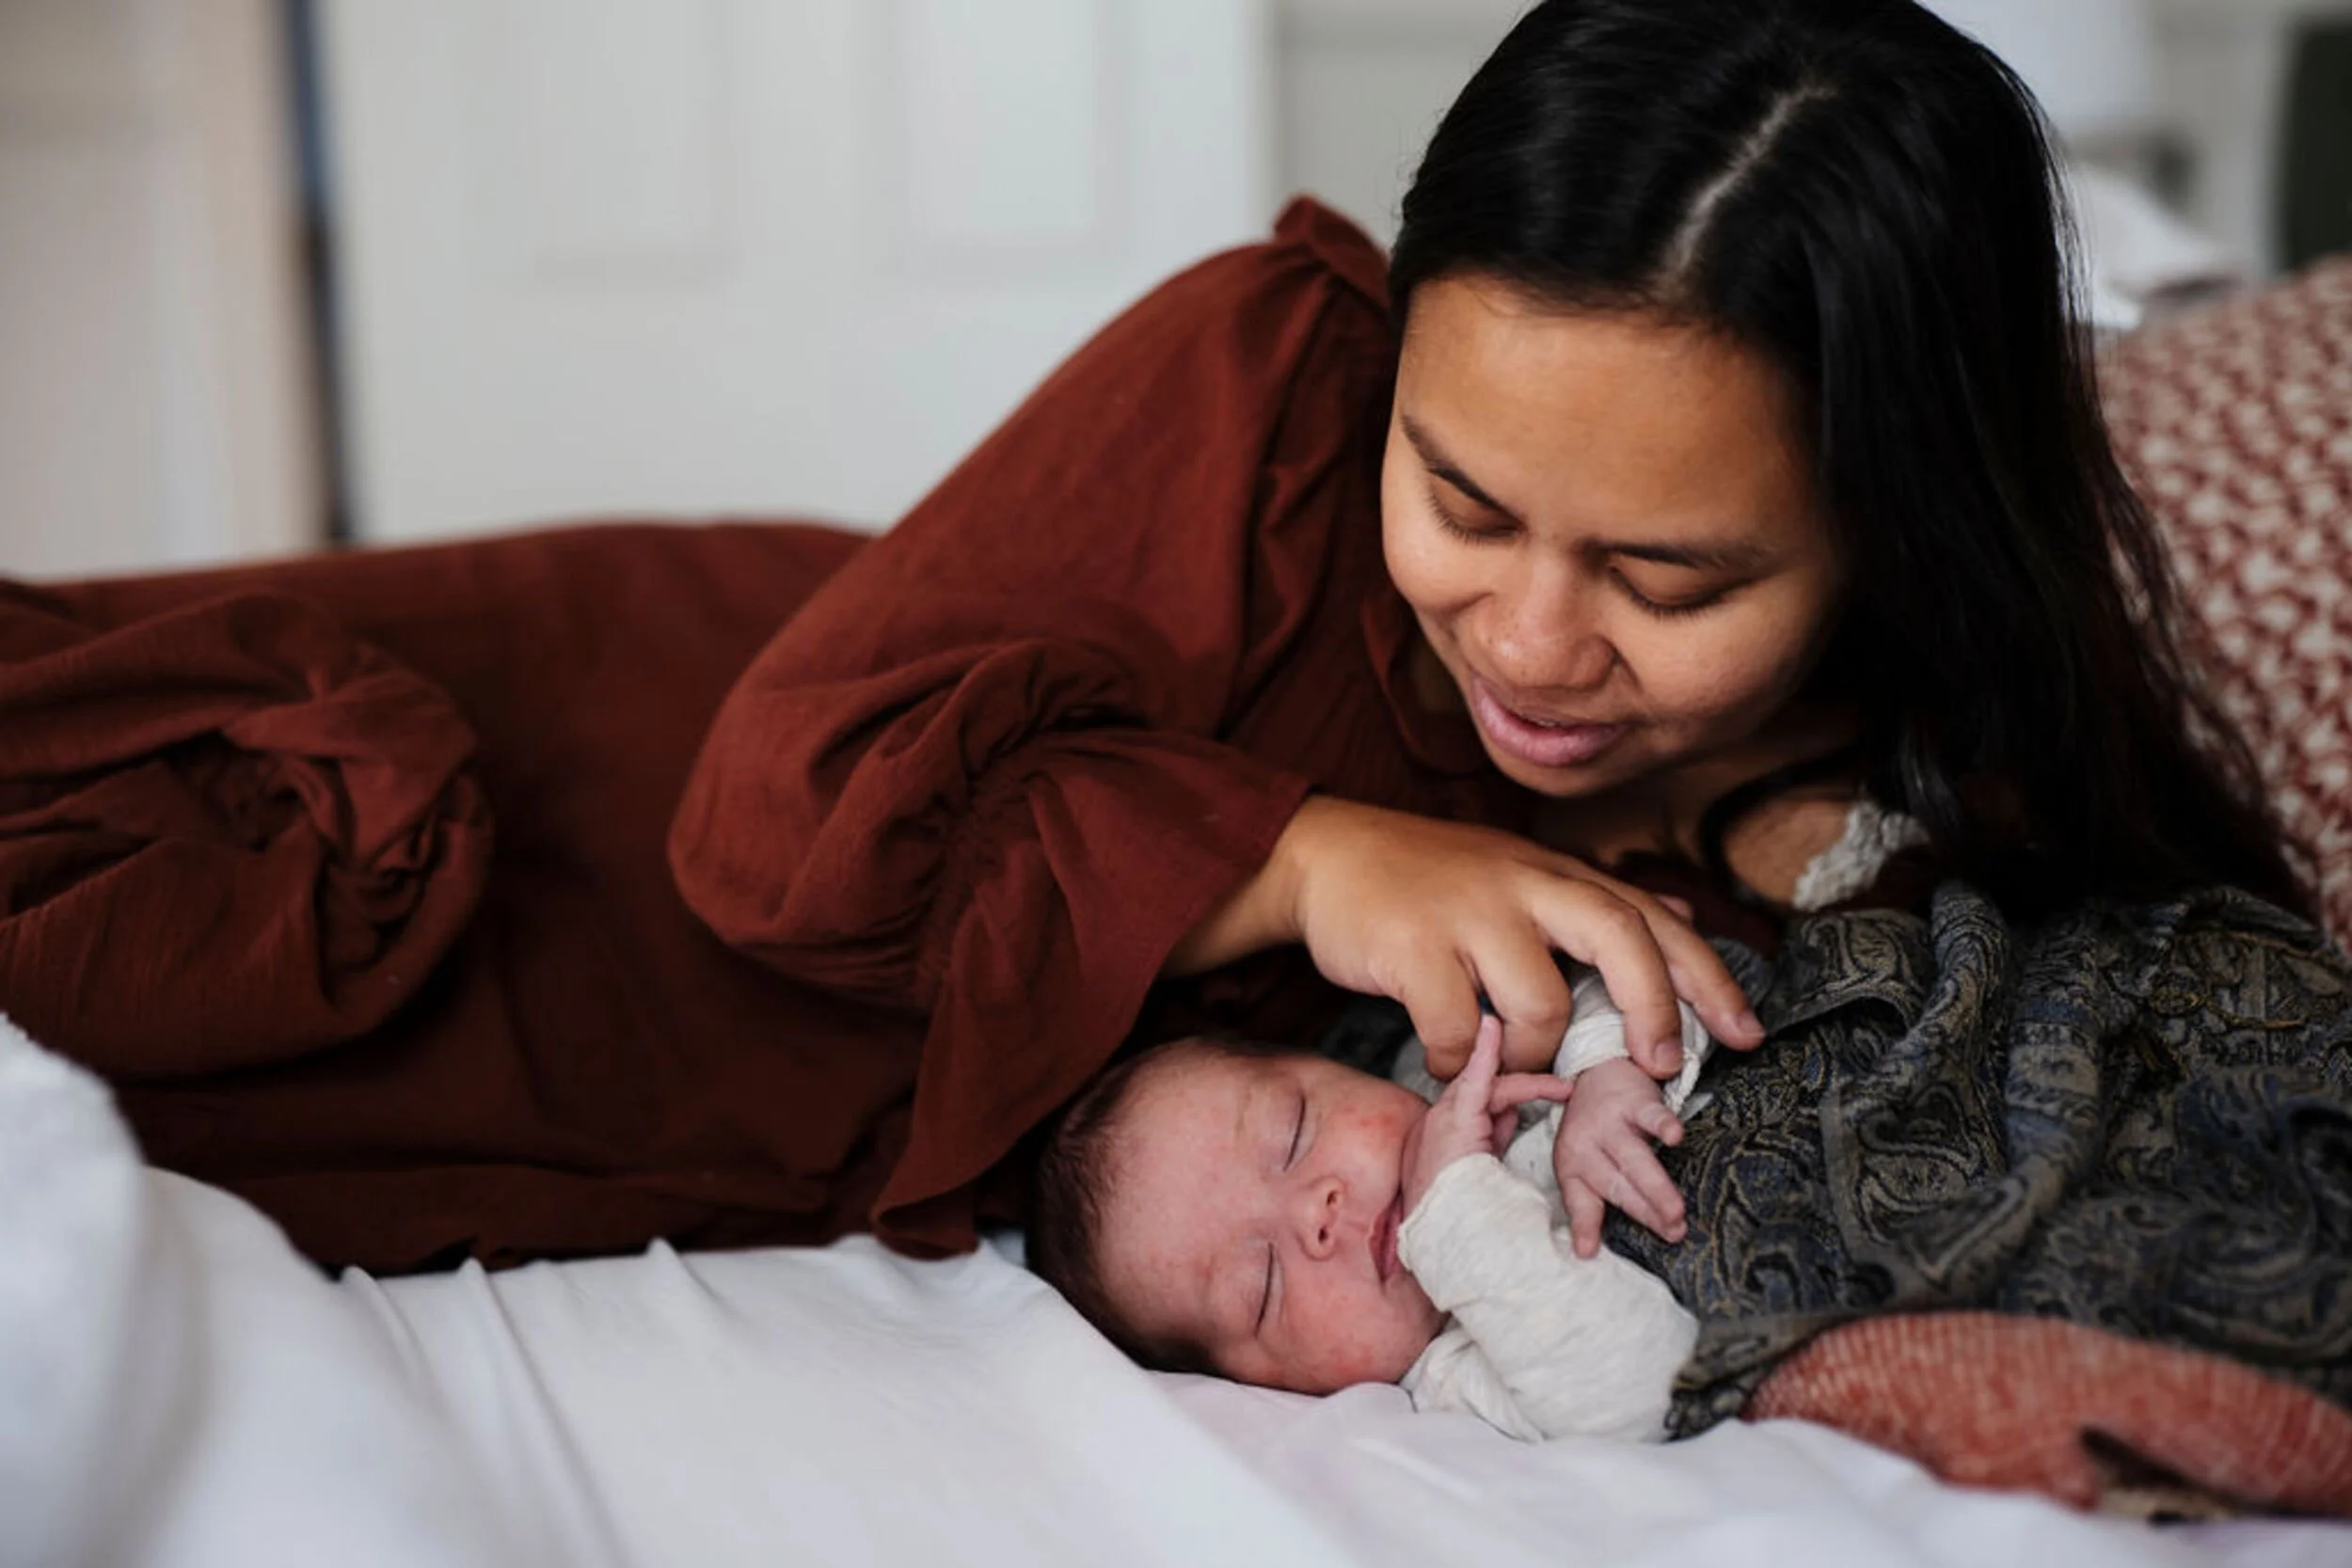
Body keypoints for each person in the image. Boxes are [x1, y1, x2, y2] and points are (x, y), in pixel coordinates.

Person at [0, 0, 2312, 1272]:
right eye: (1464, 498)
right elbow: (776, 835)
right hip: (680, 756)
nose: (1526, 636)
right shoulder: (1262, 383)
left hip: (753, 1104)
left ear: (1897, 533)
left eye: (1671, 578)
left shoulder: (1919, 820)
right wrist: (1308, 855)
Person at [1027, 997, 1722, 1444]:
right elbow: (1648, 1390)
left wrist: (1607, 1064)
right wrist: (1455, 1211)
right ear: (1263, 1388)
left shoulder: (1446, 1060)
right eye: (1263, 1284)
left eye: (1294, 1132)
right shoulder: (1455, 1381)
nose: (1316, 1215)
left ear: (1334, 1066)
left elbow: (1637, 966)